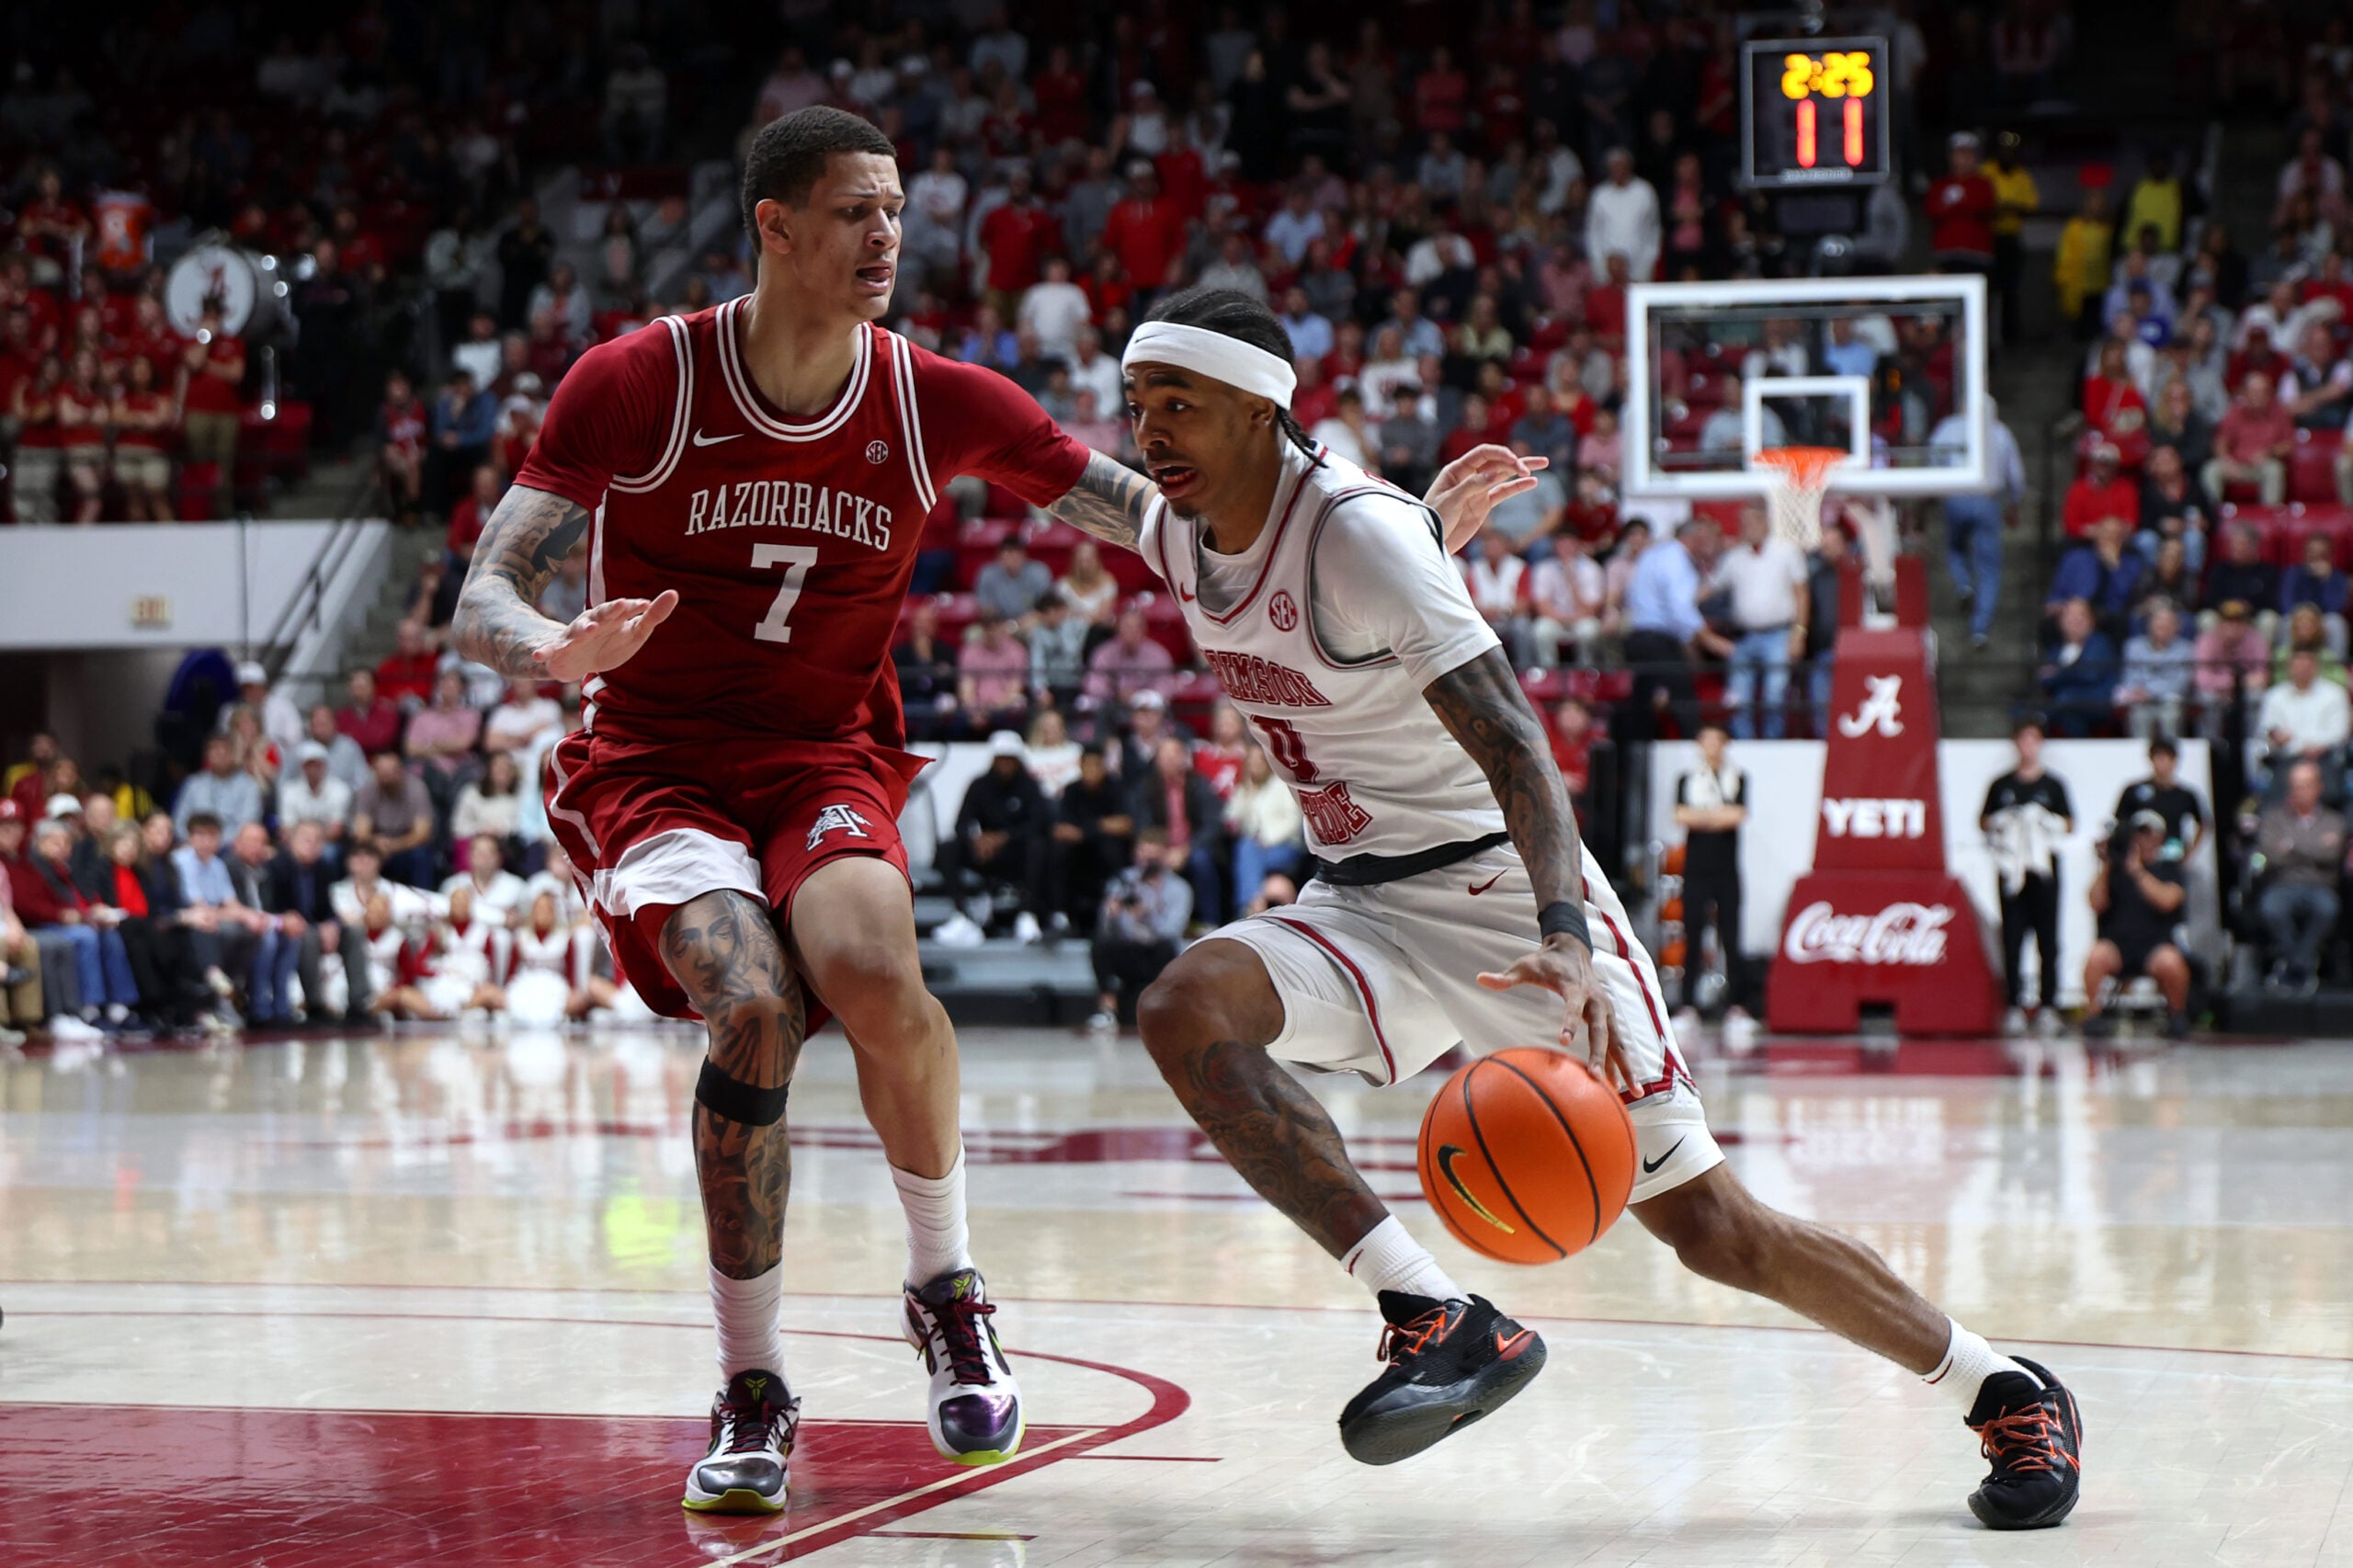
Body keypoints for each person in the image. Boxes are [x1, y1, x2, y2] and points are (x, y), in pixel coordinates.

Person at [1109, 287, 2083, 1525]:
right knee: (1185, 1004)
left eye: (1177, 402)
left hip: (1505, 890)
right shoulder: (1188, 525)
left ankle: (2000, 1385)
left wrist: (1567, 938)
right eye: (1140, 402)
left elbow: (1521, 747)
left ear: (1262, 409)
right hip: (1361, 899)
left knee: (1713, 1228)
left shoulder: (1359, 536)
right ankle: (1436, 1312)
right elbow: (1061, 473)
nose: (1149, 428)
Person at [452, 105, 1209, 1509]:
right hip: (659, 759)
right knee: (752, 1005)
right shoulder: (639, 380)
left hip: (824, 757)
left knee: (867, 962)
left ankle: (947, 1285)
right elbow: (481, 590)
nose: (887, 236)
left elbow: (1140, 516)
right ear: (775, 226)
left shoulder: (932, 397)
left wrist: (1353, 528)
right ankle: (752, 1381)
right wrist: (548, 649)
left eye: (897, 208)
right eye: (857, 210)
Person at [1982, 722, 2074, 1038]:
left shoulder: (2053, 785)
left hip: (2044, 872)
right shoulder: (2001, 785)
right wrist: (2005, 822)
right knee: (2013, 937)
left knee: (2048, 939)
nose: (2028, 745)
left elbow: (2069, 822)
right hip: (2012, 872)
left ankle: (2049, 1004)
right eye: (2023, 739)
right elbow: (1984, 819)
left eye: (2034, 739)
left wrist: (2043, 821)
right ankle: (2014, 1005)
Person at [1672, 722, 1754, 1050]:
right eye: (1705, 740)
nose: (1711, 747)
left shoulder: (1738, 779)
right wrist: (1715, 816)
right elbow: (1680, 815)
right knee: (1692, 934)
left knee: (1731, 937)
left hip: (1727, 870)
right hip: (1696, 870)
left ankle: (1737, 1004)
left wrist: (1703, 816)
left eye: (1717, 741)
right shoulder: (1687, 780)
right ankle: (1687, 1004)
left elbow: (1738, 815)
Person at [2080, 810, 2192, 1037]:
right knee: (2096, 956)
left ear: (2160, 837)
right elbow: (2095, 902)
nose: (2143, 840)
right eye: (2139, 834)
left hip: (2153, 944)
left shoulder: (2168, 869)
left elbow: (2168, 900)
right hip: (2118, 944)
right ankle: (2093, 1015)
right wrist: (2107, 866)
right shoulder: (2115, 871)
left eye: (2149, 834)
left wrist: (2138, 872)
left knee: (2172, 962)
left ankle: (2177, 1014)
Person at [939, 732, 1049, 943]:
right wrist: (976, 839)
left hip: (1016, 851)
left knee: (1038, 846)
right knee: (947, 848)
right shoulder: (979, 785)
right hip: (985, 852)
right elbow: (961, 823)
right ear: (993, 759)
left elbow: (1038, 824)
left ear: (1018, 761)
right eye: (1001, 758)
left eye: (1010, 759)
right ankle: (963, 914)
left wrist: (1004, 837)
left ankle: (1027, 914)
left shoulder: (1030, 786)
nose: (1005, 764)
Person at [1711, 502, 1807, 740]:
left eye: (1754, 520)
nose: (1748, 527)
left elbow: (1802, 594)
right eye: (1744, 522)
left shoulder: (1786, 551)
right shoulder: (1734, 558)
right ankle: (1744, 744)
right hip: (1743, 636)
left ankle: (1773, 744)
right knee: (1738, 698)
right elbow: (1709, 589)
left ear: (1766, 521)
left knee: (1775, 695)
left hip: (1779, 634)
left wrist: (1799, 633)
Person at [2255, 760, 2344, 993]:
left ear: (2319, 787)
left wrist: (2292, 846)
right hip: (2282, 884)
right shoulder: (2274, 817)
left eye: (2305, 785)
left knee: (2327, 909)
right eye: (2295, 786)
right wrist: (2314, 849)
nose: (2299, 792)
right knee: (2271, 909)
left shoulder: (2334, 820)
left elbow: (2332, 855)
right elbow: (2272, 855)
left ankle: (2293, 965)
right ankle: (2302, 964)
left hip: (2321, 885)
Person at [2110, 738, 2209, 862]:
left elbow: (2203, 822)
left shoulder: (2185, 795)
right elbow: (2120, 821)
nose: (2162, 763)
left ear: (2174, 761)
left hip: (2172, 857)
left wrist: (2189, 853)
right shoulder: (2134, 791)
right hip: (2141, 859)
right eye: (2158, 757)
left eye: (2166, 758)